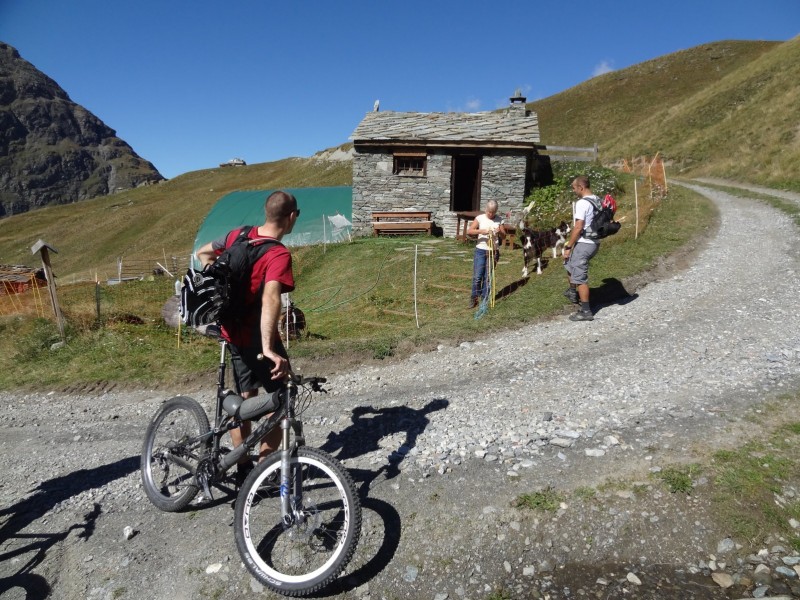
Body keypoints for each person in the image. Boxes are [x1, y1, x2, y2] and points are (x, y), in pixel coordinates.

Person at [195, 190, 299, 486]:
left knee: (244, 399)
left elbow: (203, 253)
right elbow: (271, 297)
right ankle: (264, 468)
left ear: (267, 213)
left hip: (230, 331)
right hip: (256, 337)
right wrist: (268, 347)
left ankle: (242, 466)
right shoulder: (278, 253)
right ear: (291, 217)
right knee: (284, 397)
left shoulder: (236, 236)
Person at [563, 176, 600, 321]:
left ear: (581, 187)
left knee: (580, 276)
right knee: (568, 263)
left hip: (585, 243)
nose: (573, 190)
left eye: (574, 187)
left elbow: (578, 227)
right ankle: (572, 291)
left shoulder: (582, 203)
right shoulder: (598, 199)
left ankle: (586, 311)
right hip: (594, 242)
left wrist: (569, 246)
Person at [467, 200, 506, 308]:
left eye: (493, 212)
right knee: (478, 276)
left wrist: (500, 232)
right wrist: (481, 231)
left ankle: (485, 298)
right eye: (489, 212)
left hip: (493, 251)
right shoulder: (480, 218)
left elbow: (504, 236)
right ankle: (474, 297)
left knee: (488, 277)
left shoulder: (499, 220)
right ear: (486, 209)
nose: (491, 214)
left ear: (496, 211)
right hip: (481, 250)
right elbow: (469, 231)